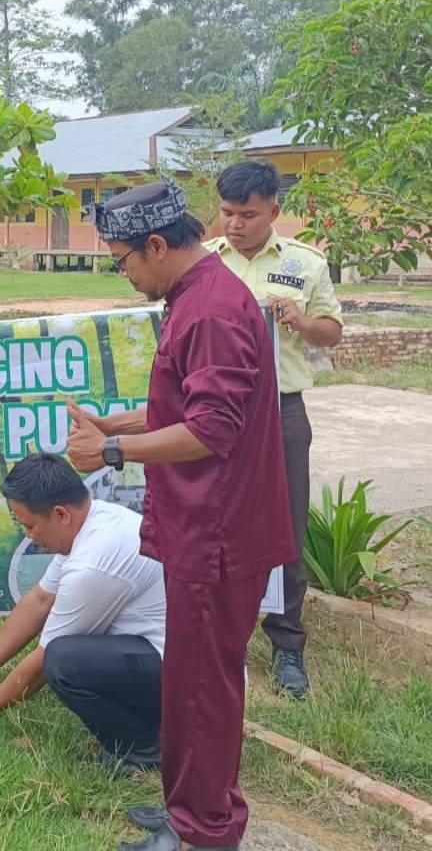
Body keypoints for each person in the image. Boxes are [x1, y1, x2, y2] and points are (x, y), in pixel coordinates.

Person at [66, 178, 293, 851]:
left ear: (157, 245)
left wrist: (111, 448)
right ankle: (193, 804)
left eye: (125, 261)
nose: (126, 274)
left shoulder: (212, 311)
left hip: (218, 532)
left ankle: (202, 830)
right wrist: (122, 421)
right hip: (207, 526)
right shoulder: (203, 295)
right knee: (194, 679)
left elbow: (212, 430)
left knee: (203, 686)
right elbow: (189, 408)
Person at [206, 160, 343, 698]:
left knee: (284, 527)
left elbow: (330, 332)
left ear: (275, 212)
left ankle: (287, 644)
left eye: (248, 215)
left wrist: (299, 320)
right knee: (215, 520)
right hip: (216, 411)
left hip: (282, 410)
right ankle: (221, 637)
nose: (234, 225)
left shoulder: (305, 264)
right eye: (225, 213)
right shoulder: (205, 265)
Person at [0, 453, 165, 776]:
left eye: (30, 525)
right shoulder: (90, 525)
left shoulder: (92, 562)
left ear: (60, 514)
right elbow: (40, 601)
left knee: (62, 661)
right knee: (65, 655)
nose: (28, 535)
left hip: (185, 680)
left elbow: (39, 666)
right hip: (163, 658)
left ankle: (142, 748)